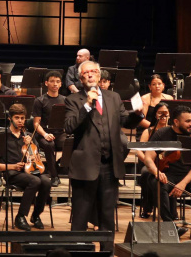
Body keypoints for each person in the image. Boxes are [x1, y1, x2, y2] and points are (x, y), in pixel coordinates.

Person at [64, 60, 143, 252]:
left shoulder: (113, 97)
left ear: (99, 75)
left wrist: (137, 114)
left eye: (93, 71)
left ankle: (107, 252)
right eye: (86, 73)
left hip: (109, 166)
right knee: (81, 215)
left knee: (107, 216)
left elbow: (125, 121)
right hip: (85, 167)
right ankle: (78, 252)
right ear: (80, 78)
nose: (90, 75)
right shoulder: (73, 99)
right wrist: (88, 105)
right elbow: (69, 126)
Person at [140, 105, 191, 240]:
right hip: (167, 174)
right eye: (187, 121)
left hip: (188, 176)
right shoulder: (162, 134)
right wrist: (156, 172)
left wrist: (183, 183)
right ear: (176, 122)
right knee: (157, 184)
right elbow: (148, 158)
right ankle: (170, 226)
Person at [0, 103, 51, 230]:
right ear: (10, 118)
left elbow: (37, 156)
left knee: (46, 181)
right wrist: (13, 166)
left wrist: (31, 144)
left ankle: (36, 215)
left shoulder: (28, 136)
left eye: (22, 118)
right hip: (12, 173)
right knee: (35, 181)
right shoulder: (2, 136)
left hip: (30, 170)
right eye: (17, 118)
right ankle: (20, 217)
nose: (20, 121)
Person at [135, 101, 169, 218]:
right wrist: (147, 161)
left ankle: (170, 210)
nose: (163, 115)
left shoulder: (172, 131)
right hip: (150, 163)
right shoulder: (148, 131)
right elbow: (139, 150)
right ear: (155, 115)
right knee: (146, 173)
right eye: (160, 113)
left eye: (166, 113)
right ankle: (147, 207)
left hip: (167, 163)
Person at [32, 70, 66, 186]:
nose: (55, 84)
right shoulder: (40, 101)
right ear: (46, 83)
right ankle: (54, 176)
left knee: (73, 142)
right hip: (44, 133)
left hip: (60, 133)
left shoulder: (65, 100)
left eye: (57, 81)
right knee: (49, 145)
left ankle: (57, 166)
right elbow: (36, 123)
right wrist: (45, 135)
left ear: (61, 84)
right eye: (52, 81)